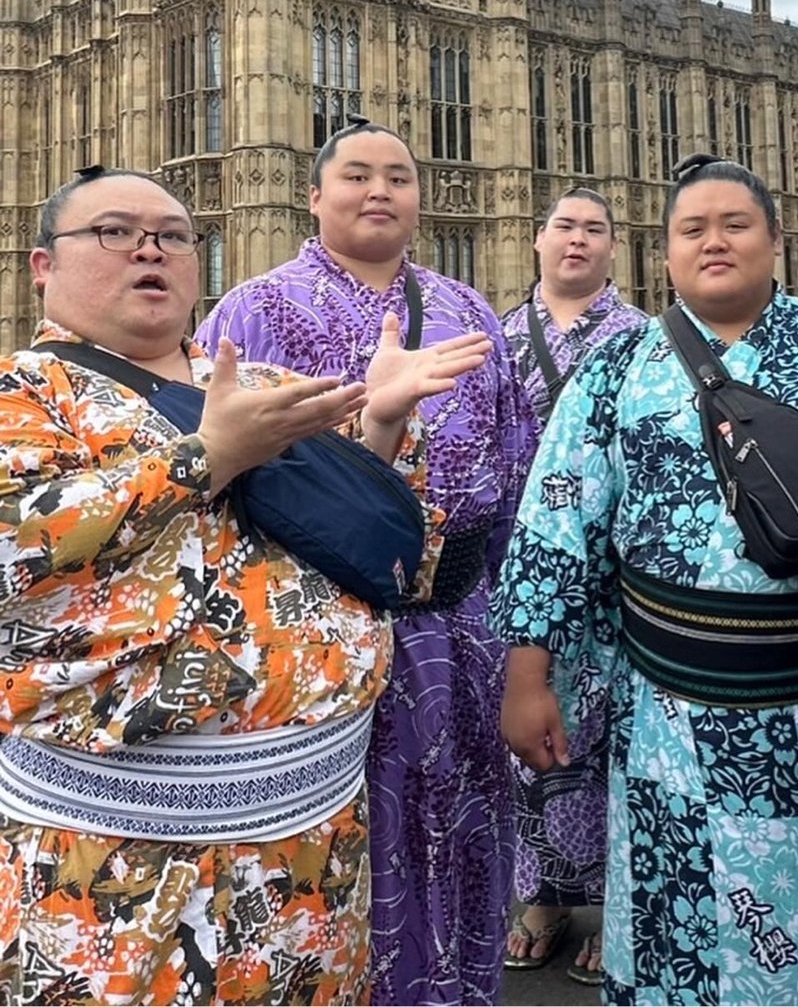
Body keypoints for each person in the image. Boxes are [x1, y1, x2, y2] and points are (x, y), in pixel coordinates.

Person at [0, 166, 487, 1004]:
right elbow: (19, 543)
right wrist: (208, 456)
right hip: (116, 866)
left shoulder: (262, 387)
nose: (149, 249)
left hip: (313, 853)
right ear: (44, 266)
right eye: (115, 232)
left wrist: (380, 424)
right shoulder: (24, 391)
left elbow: (363, 548)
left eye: (173, 236)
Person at [494, 154, 798, 1006]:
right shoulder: (617, 366)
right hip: (665, 710)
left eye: (735, 224)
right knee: (671, 915)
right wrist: (529, 676)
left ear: (778, 241)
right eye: (692, 229)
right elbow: (555, 521)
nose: (714, 242)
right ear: (665, 252)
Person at [197, 119, 536, 1007]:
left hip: (465, 627)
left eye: (398, 176)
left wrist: (527, 649)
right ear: (313, 195)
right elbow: (221, 483)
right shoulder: (255, 310)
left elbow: (517, 472)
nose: (379, 190)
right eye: (356, 175)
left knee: (465, 832)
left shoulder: (468, 311)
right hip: (331, 635)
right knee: (352, 843)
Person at [501, 187, 645, 984]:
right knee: (529, 748)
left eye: (595, 230)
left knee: (610, 745)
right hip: (521, 575)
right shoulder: (497, 335)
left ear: (614, 249)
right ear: (537, 240)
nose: (578, 241)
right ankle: (544, 899)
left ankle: (613, 908)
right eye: (565, 227)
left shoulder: (643, 339)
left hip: (612, 583)